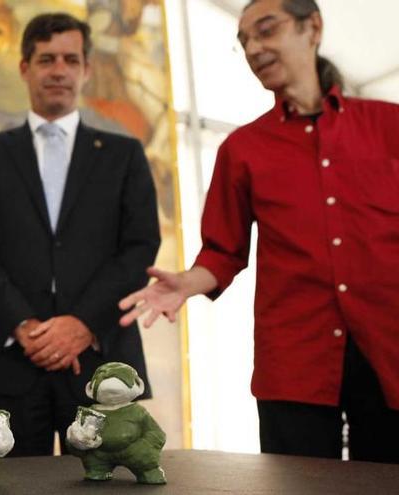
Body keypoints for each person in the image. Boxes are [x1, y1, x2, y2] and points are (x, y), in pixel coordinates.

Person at [120, 0, 399, 463]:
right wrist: (186, 283)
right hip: (294, 360)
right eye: (244, 40)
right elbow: (221, 252)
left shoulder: (389, 126)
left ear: (313, 28)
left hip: (390, 347)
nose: (253, 48)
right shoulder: (242, 149)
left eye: (266, 31)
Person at [0, 12, 160, 456]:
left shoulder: (124, 155)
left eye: (71, 59)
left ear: (86, 69)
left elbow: (140, 248)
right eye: (46, 59)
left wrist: (84, 324)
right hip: (8, 363)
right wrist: (24, 326)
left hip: (101, 369)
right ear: (25, 67)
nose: (59, 70)